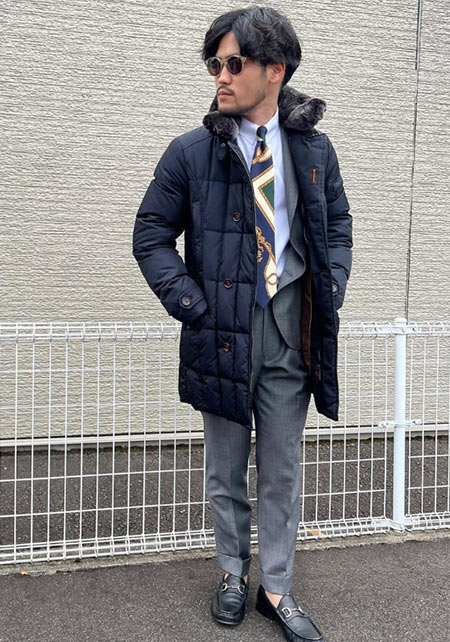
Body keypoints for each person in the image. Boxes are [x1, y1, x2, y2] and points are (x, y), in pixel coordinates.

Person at [132, 6, 352, 641]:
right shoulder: (190, 152)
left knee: (282, 468)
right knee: (225, 471)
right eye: (214, 64)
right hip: (221, 334)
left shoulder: (313, 149)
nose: (220, 76)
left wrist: (330, 288)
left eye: (234, 63)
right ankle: (232, 572)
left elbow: (338, 226)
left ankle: (275, 588)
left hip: (291, 333)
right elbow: (150, 235)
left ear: (274, 69)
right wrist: (193, 305)